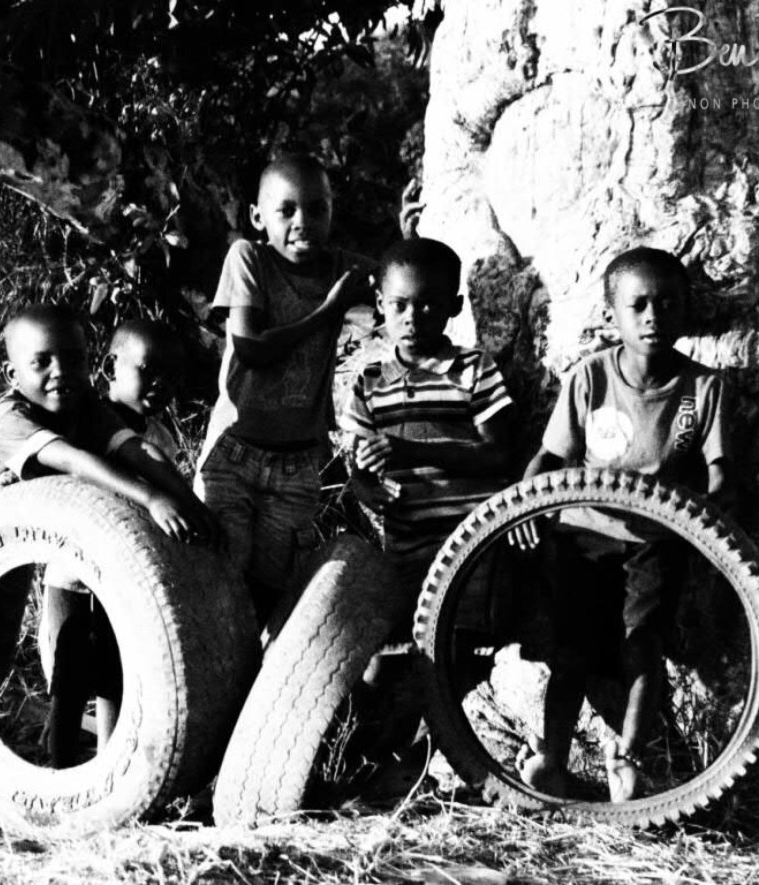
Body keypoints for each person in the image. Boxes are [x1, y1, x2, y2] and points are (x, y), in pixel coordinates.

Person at [0, 305, 214, 768]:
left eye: (72, 359)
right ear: (13, 374)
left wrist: (190, 503)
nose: (60, 372)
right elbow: (74, 461)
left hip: (7, 552)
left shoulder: (87, 407)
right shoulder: (11, 416)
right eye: (41, 362)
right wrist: (151, 498)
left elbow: (137, 450)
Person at [510, 246, 730, 802]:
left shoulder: (704, 388)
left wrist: (708, 515)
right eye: (639, 305)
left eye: (667, 304)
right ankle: (552, 758)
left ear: (686, 311)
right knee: (571, 652)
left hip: (656, 538)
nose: (653, 316)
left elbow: (720, 472)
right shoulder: (591, 377)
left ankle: (629, 759)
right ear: (613, 314)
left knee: (642, 643)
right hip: (582, 534)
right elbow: (550, 458)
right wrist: (523, 506)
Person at [342, 237, 514, 789]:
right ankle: (376, 764)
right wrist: (366, 488)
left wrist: (411, 449)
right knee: (395, 655)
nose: (413, 318)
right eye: (400, 305)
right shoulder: (368, 383)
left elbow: (500, 453)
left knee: (457, 649)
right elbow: (358, 470)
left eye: (429, 305)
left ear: (454, 307)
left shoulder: (473, 370)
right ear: (380, 304)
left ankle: (414, 760)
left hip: (470, 543)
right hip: (408, 544)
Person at [193, 153, 374, 626]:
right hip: (233, 456)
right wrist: (328, 310)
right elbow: (251, 348)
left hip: (298, 465)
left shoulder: (340, 267)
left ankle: (262, 674)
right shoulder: (248, 257)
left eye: (317, 209)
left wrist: (410, 233)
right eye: (287, 210)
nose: (303, 222)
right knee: (218, 581)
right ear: (258, 217)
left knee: (273, 591)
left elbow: (398, 279)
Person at [39, 318, 185, 767]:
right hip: (73, 570)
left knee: (116, 668)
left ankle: (108, 760)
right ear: (109, 368)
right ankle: (59, 766)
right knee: (67, 673)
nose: (159, 384)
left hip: (126, 578)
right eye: (148, 370)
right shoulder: (85, 422)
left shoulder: (160, 438)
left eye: (169, 375)